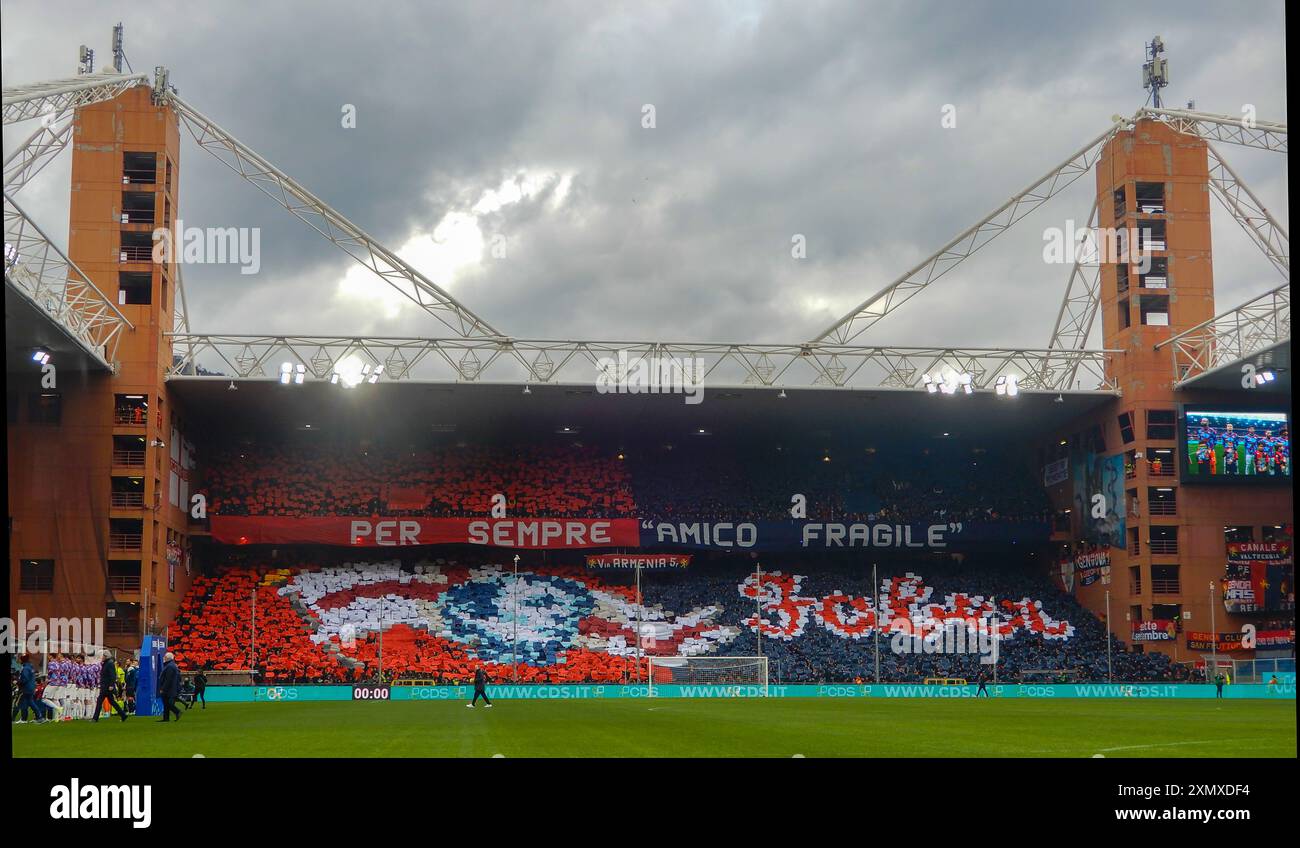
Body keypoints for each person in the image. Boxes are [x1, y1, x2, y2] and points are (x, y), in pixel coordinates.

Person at [91, 651, 129, 723]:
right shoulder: (107, 663)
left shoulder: (109, 663)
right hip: (106, 686)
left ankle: (95, 718)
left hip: (106, 686)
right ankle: (123, 715)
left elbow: (112, 675)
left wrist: (111, 685)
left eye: (102, 656)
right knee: (111, 701)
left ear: (106, 656)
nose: (101, 658)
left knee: (100, 701)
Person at [11, 655, 38, 723]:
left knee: (17, 703)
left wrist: (17, 681)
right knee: (27, 703)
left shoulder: (25, 668)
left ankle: (13, 719)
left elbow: (25, 679)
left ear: (22, 660)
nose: (19, 660)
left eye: (20, 659)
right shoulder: (30, 667)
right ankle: (25, 719)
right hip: (31, 688)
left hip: (25, 688)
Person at [157, 652, 182, 722]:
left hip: (169, 689)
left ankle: (177, 712)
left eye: (165, 657)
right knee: (166, 703)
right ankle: (166, 718)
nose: (163, 658)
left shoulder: (169, 666)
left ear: (167, 658)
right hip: (172, 688)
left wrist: (163, 688)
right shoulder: (172, 665)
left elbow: (168, 679)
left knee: (168, 703)